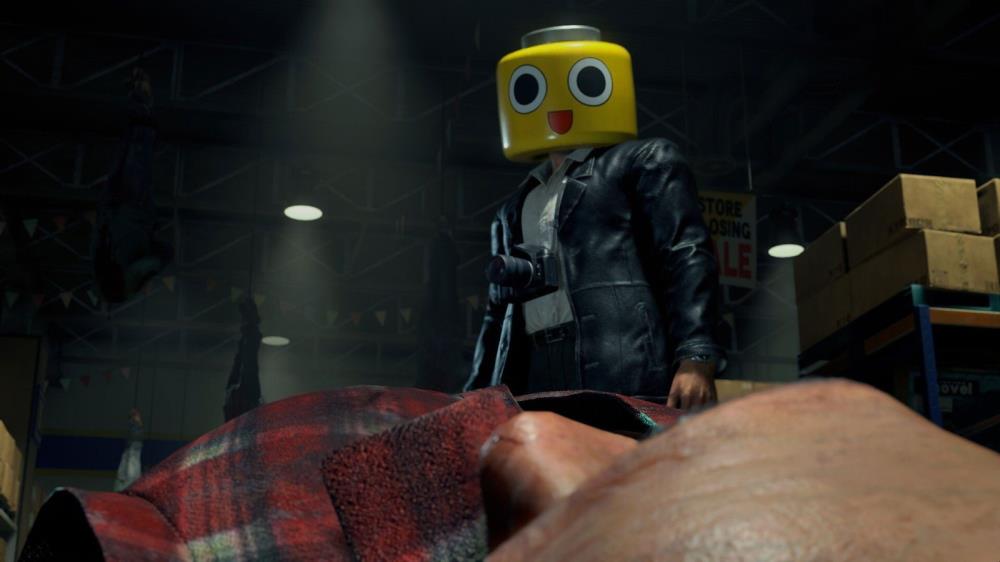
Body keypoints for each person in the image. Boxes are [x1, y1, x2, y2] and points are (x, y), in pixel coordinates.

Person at [465, 25, 723, 408]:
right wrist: (475, 393)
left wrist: (696, 356)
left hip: (623, 361)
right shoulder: (513, 208)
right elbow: (498, 313)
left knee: (620, 446)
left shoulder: (641, 162)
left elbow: (685, 254)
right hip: (533, 369)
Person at [92, 67, 173, 303]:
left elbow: (164, 253)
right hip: (122, 212)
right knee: (134, 150)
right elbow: (162, 254)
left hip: (126, 213)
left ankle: (140, 98)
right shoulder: (115, 275)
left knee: (135, 150)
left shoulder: (125, 276)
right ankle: (140, 98)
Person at [223, 296, 263, 422]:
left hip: (240, 406)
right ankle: (251, 328)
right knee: (248, 365)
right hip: (245, 404)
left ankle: (250, 328)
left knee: (244, 364)